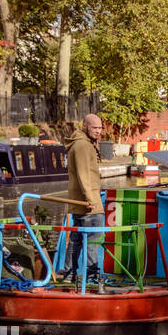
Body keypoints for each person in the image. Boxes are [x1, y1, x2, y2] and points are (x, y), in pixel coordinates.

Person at [65, 113, 106, 290]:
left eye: (100, 128)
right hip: (89, 203)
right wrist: (90, 198)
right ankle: (90, 275)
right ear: (84, 126)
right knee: (92, 237)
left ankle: (69, 274)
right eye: (94, 128)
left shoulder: (83, 143)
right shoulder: (82, 146)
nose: (98, 131)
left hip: (80, 201)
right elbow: (83, 174)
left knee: (77, 238)